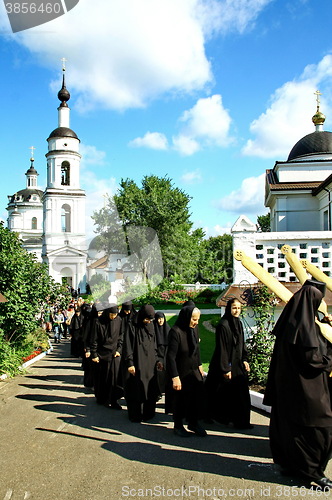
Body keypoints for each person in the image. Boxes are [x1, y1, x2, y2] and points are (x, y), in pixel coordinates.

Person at [263, 280, 332, 489]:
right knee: (322, 428)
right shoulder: (304, 327)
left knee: (290, 426)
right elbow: (314, 360)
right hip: (307, 390)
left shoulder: (296, 322)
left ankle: (290, 464)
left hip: (289, 389)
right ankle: (313, 471)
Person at [205, 298, 252, 429]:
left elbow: (242, 343)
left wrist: (245, 359)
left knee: (241, 393)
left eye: (238, 308)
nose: (237, 311)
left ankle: (241, 421)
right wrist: (226, 369)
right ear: (229, 309)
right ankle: (223, 418)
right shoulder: (223, 325)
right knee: (222, 393)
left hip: (238, 364)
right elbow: (222, 349)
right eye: (234, 308)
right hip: (225, 364)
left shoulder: (238, 323)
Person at [166, 305, 206, 437]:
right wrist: (175, 377)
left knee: (196, 397)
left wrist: (199, 365)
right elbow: (171, 356)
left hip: (193, 370)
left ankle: (193, 423)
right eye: (194, 319)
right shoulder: (175, 332)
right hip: (181, 371)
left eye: (198, 319)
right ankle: (178, 425)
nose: (196, 322)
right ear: (187, 318)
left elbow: (197, 349)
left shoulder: (194, 329)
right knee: (180, 399)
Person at [123, 304, 161, 422]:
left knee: (150, 388)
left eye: (150, 319)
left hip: (150, 363)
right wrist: (130, 363)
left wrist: (157, 359)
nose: (148, 321)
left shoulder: (151, 325)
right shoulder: (132, 325)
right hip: (137, 362)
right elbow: (128, 345)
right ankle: (135, 415)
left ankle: (149, 413)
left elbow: (154, 344)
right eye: (146, 319)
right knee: (136, 389)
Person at [90, 304, 123, 409]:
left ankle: (113, 400)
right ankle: (102, 398)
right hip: (102, 355)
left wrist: (119, 349)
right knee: (103, 379)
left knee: (114, 379)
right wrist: (94, 354)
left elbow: (121, 336)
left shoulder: (119, 320)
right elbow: (94, 339)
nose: (113, 317)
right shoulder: (98, 322)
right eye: (111, 314)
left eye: (115, 315)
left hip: (114, 354)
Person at [154, 311, 170, 395]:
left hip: (166, 354)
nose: (161, 321)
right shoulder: (153, 330)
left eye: (162, 319)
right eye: (159, 319)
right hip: (157, 356)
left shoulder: (167, 329)